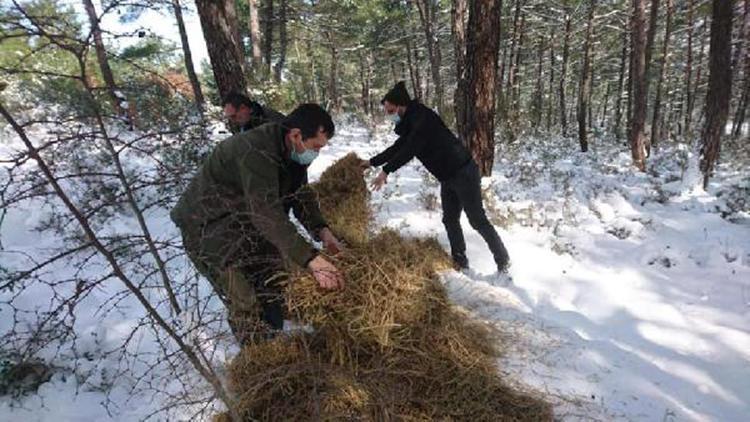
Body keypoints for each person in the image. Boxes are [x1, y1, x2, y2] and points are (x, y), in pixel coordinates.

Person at [171, 103, 344, 344]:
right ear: (296, 135)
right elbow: (266, 212)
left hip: (245, 221)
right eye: (316, 146)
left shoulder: (293, 153)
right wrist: (311, 259)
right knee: (245, 299)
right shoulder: (254, 150)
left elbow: (300, 194)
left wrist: (322, 230)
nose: (316, 153)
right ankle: (258, 358)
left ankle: (273, 337)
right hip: (208, 227)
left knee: (273, 280)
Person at [361, 81, 510, 273]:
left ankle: (503, 262)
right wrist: (372, 162)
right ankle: (460, 262)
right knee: (450, 219)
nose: (388, 115)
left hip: (463, 172)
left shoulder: (423, 119)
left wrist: (386, 171)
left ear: (401, 106)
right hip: (447, 177)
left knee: (477, 220)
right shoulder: (411, 121)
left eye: (390, 111)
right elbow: (399, 147)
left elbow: (410, 149)